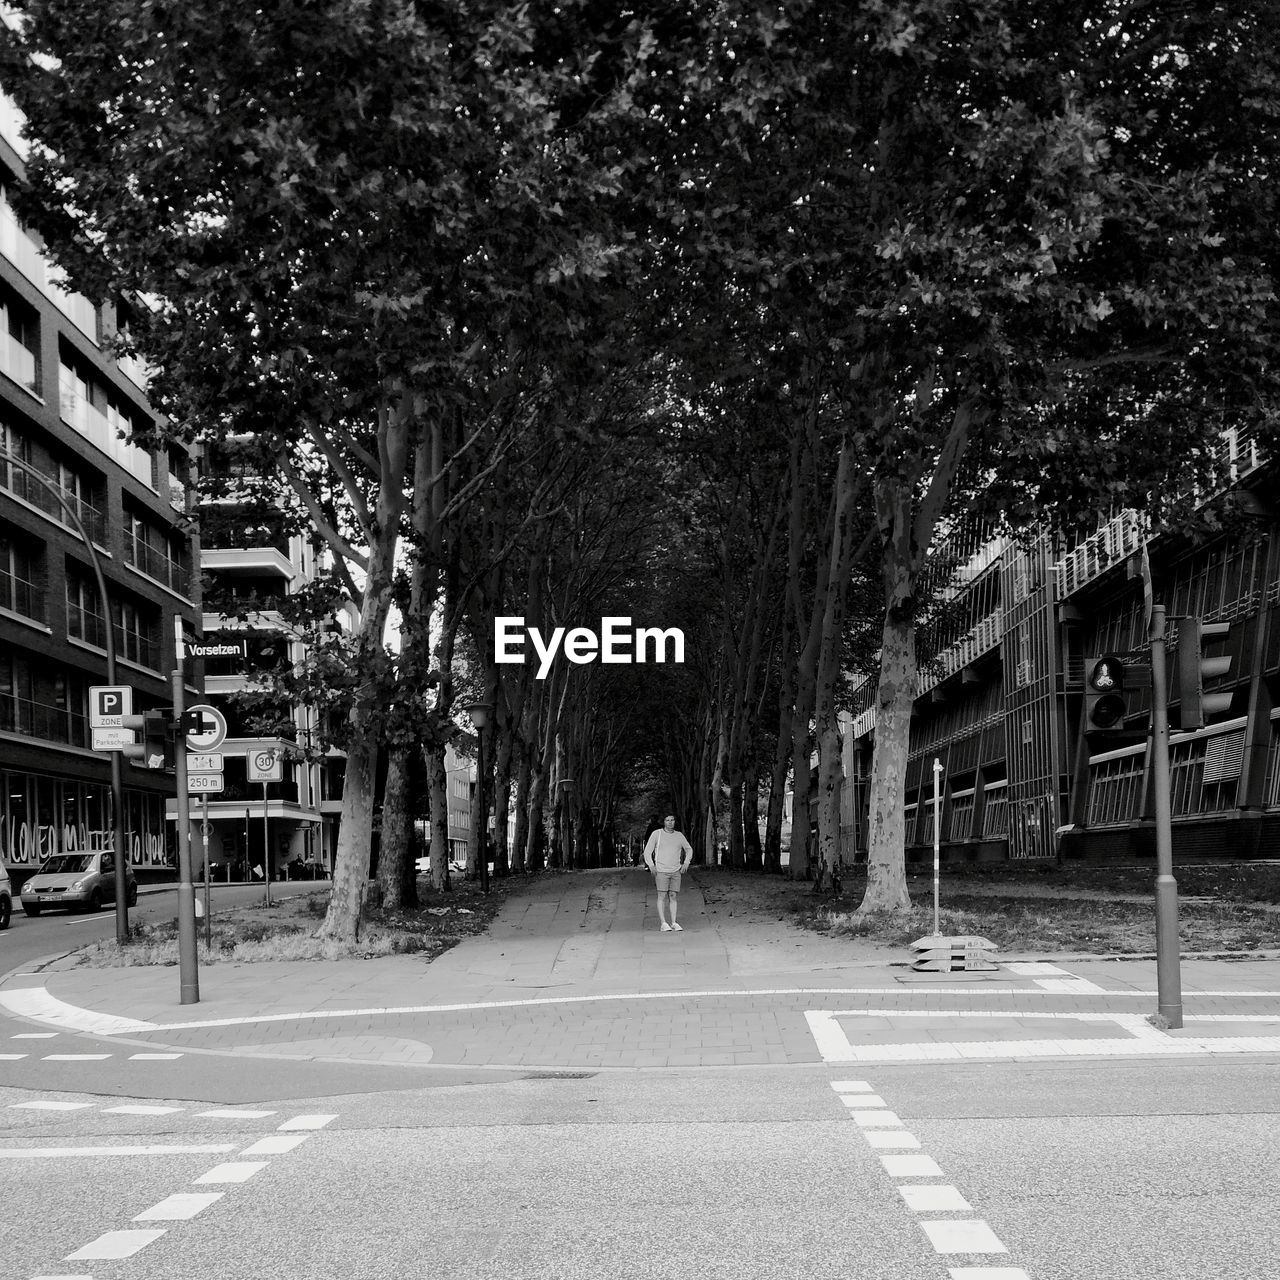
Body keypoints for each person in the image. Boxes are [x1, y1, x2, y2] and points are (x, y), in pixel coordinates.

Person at [642, 814, 693, 932]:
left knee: (673, 895)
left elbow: (689, 849)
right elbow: (647, 851)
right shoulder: (657, 834)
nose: (670, 822)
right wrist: (651, 865)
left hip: (675, 870)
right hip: (661, 870)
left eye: (672, 820)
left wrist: (686, 862)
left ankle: (674, 922)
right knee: (662, 896)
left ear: (675, 822)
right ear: (663, 822)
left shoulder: (679, 836)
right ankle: (663, 922)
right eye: (667, 820)